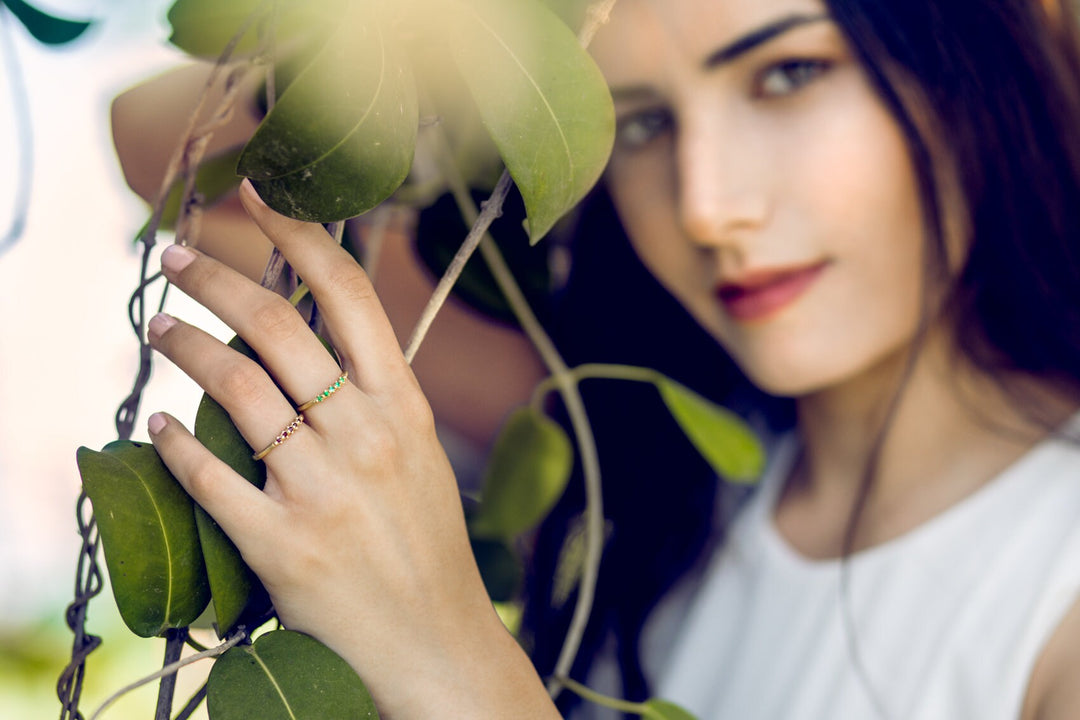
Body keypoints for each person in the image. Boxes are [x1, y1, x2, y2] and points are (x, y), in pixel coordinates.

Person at [117, 0, 1080, 717]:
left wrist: (454, 663)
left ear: (970, 58)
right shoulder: (640, 448)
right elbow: (156, 132)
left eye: (787, 74)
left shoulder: (1055, 594)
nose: (708, 206)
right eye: (644, 123)